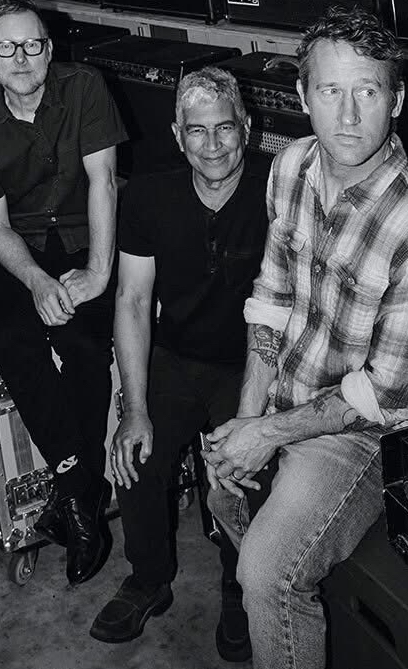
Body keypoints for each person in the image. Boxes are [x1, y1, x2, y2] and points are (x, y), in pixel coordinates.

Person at [204, 5, 408, 669]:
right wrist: (248, 418)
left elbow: (385, 397)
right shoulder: (290, 165)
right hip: (295, 387)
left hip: (372, 429)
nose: (347, 116)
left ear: (396, 100)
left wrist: (268, 433)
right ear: (302, 95)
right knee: (221, 487)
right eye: (329, 91)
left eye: (367, 92)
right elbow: (271, 300)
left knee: (265, 572)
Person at [90, 68, 268, 652]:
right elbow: (133, 301)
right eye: (197, 130)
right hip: (178, 355)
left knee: (244, 468)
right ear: (176, 134)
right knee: (134, 451)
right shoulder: (148, 196)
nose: (212, 145)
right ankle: (149, 579)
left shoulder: (276, 192)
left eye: (225, 128)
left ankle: (241, 585)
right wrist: (134, 408)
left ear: (247, 128)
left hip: (251, 363)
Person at [0, 0, 127, 585]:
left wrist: (100, 273)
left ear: (49, 48)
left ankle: (73, 498)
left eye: (32, 45)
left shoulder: (85, 87)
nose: (21, 58)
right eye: (7, 47)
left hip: (88, 236)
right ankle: (82, 487)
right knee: (11, 342)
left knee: (83, 343)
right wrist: (34, 281)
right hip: (25, 247)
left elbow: (104, 182)